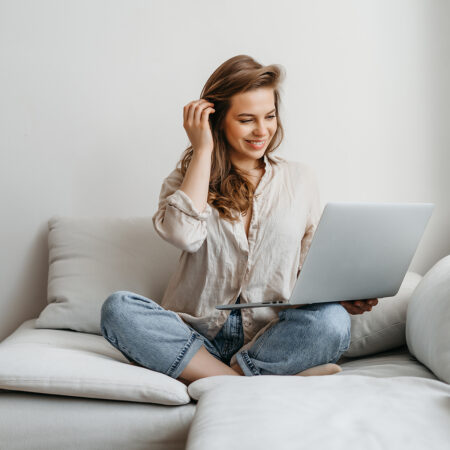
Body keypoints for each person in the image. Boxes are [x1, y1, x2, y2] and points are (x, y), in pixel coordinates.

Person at [100, 55, 378, 386]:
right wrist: (202, 150)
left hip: (270, 336)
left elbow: (307, 272)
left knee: (333, 321)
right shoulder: (186, 179)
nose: (262, 130)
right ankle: (254, 379)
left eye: (270, 116)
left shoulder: (300, 179)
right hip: (194, 339)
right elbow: (183, 235)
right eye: (246, 119)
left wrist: (338, 293)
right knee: (118, 309)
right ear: (217, 120)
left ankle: (226, 377)